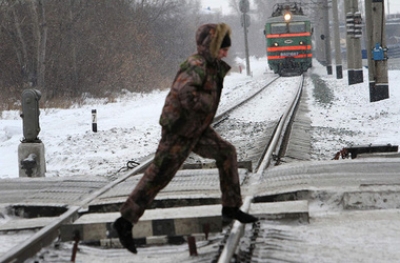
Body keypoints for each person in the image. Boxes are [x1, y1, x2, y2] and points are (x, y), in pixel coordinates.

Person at [113, 23, 258, 254]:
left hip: (196, 129)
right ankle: (124, 222)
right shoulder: (195, 65)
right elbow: (184, 94)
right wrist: (206, 105)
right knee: (158, 176)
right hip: (179, 130)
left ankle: (231, 207)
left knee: (226, 152)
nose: (225, 53)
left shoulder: (211, 66)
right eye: (222, 48)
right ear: (211, 47)